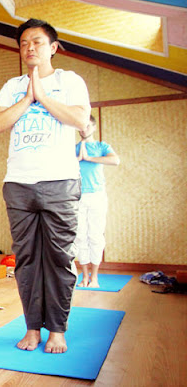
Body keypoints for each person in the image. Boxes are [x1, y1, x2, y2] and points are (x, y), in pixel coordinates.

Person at [0, 18, 91, 354]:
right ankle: (32, 328)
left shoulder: (69, 80)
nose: (29, 48)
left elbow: (80, 119)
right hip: (18, 184)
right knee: (27, 260)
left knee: (59, 258)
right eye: (23, 43)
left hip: (60, 182)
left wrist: (43, 96)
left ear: (53, 48)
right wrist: (27, 98)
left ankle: (57, 330)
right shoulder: (11, 86)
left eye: (37, 42)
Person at [75, 115, 120, 287]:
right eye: (80, 126)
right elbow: (60, 167)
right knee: (80, 236)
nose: (83, 129)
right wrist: (77, 159)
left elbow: (115, 160)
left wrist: (89, 158)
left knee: (95, 235)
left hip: (97, 196)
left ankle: (94, 278)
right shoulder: (74, 148)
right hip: (78, 196)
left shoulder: (101, 146)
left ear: (94, 127)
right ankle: (85, 277)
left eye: (87, 126)